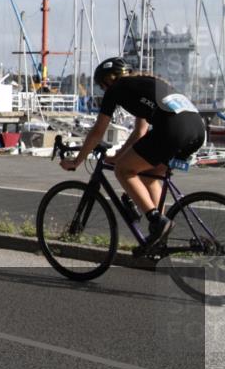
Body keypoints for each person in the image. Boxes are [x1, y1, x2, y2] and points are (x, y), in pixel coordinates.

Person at [60, 57, 206, 249]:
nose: (103, 90)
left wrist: (77, 161)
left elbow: (98, 131)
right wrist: (118, 156)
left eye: (102, 86)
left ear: (109, 79)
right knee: (150, 177)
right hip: (197, 129)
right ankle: (159, 239)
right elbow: (139, 133)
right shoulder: (146, 84)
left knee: (123, 170)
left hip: (173, 129)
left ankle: (157, 221)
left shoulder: (116, 89)